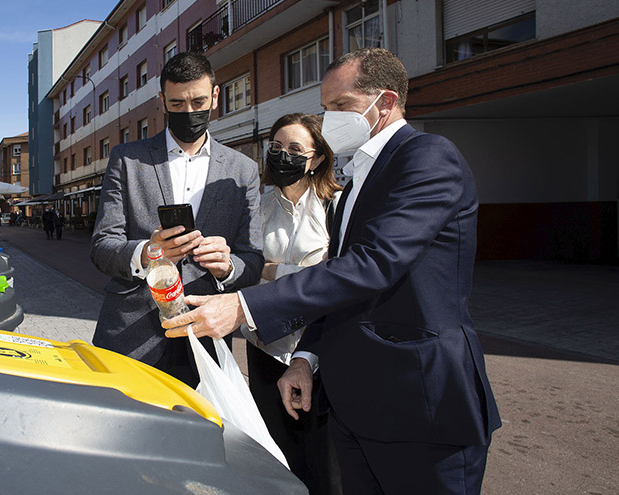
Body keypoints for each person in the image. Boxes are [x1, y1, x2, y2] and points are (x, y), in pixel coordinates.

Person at [163, 48, 501, 494]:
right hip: (356, 407)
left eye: (341, 106)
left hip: (421, 404)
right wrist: (306, 358)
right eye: (326, 107)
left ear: (385, 103)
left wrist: (244, 305)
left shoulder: (427, 157)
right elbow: (342, 281)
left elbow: (374, 265)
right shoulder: (360, 173)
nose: (330, 118)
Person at [90, 52, 264, 387]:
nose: (189, 112)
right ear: (162, 101)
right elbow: (102, 246)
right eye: (177, 103)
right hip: (130, 336)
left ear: (215, 97)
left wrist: (227, 267)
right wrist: (147, 252)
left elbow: (253, 259)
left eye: (198, 101)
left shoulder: (243, 170)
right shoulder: (127, 160)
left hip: (206, 337)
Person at [242, 112, 342, 495]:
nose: (283, 156)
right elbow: (247, 266)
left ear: (316, 158)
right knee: (277, 459)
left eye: (295, 149)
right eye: (276, 147)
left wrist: (271, 271)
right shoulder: (258, 205)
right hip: (265, 346)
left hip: (317, 347)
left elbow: (338, 279)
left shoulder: (336, 206)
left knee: (326, 467)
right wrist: (300, 273)